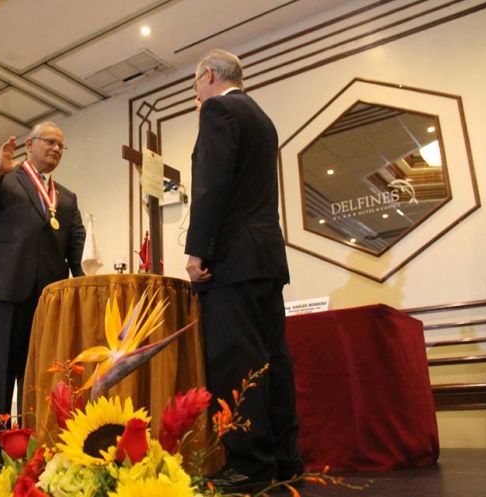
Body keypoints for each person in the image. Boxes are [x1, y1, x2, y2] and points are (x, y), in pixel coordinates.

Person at [184, 49, 303, 493]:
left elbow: (212, 186)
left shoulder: (218, 109)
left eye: (196, 83)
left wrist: (197, 251)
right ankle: (286, 459)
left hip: (232, 259)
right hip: (267, 257)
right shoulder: (262, 117)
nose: (197, 93)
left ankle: (249, 466)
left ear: (209, 75)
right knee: (274, 360)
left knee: (238, 364)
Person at [0, 121, 86, 462]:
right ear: (29, 145)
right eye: (50, 142)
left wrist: (78, 279)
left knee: (33, 377)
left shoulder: (68, 198)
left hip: (44, 299)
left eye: (61, 145)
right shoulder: (6, 178)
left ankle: (29, 452)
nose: (56, 149)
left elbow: (75, 245)